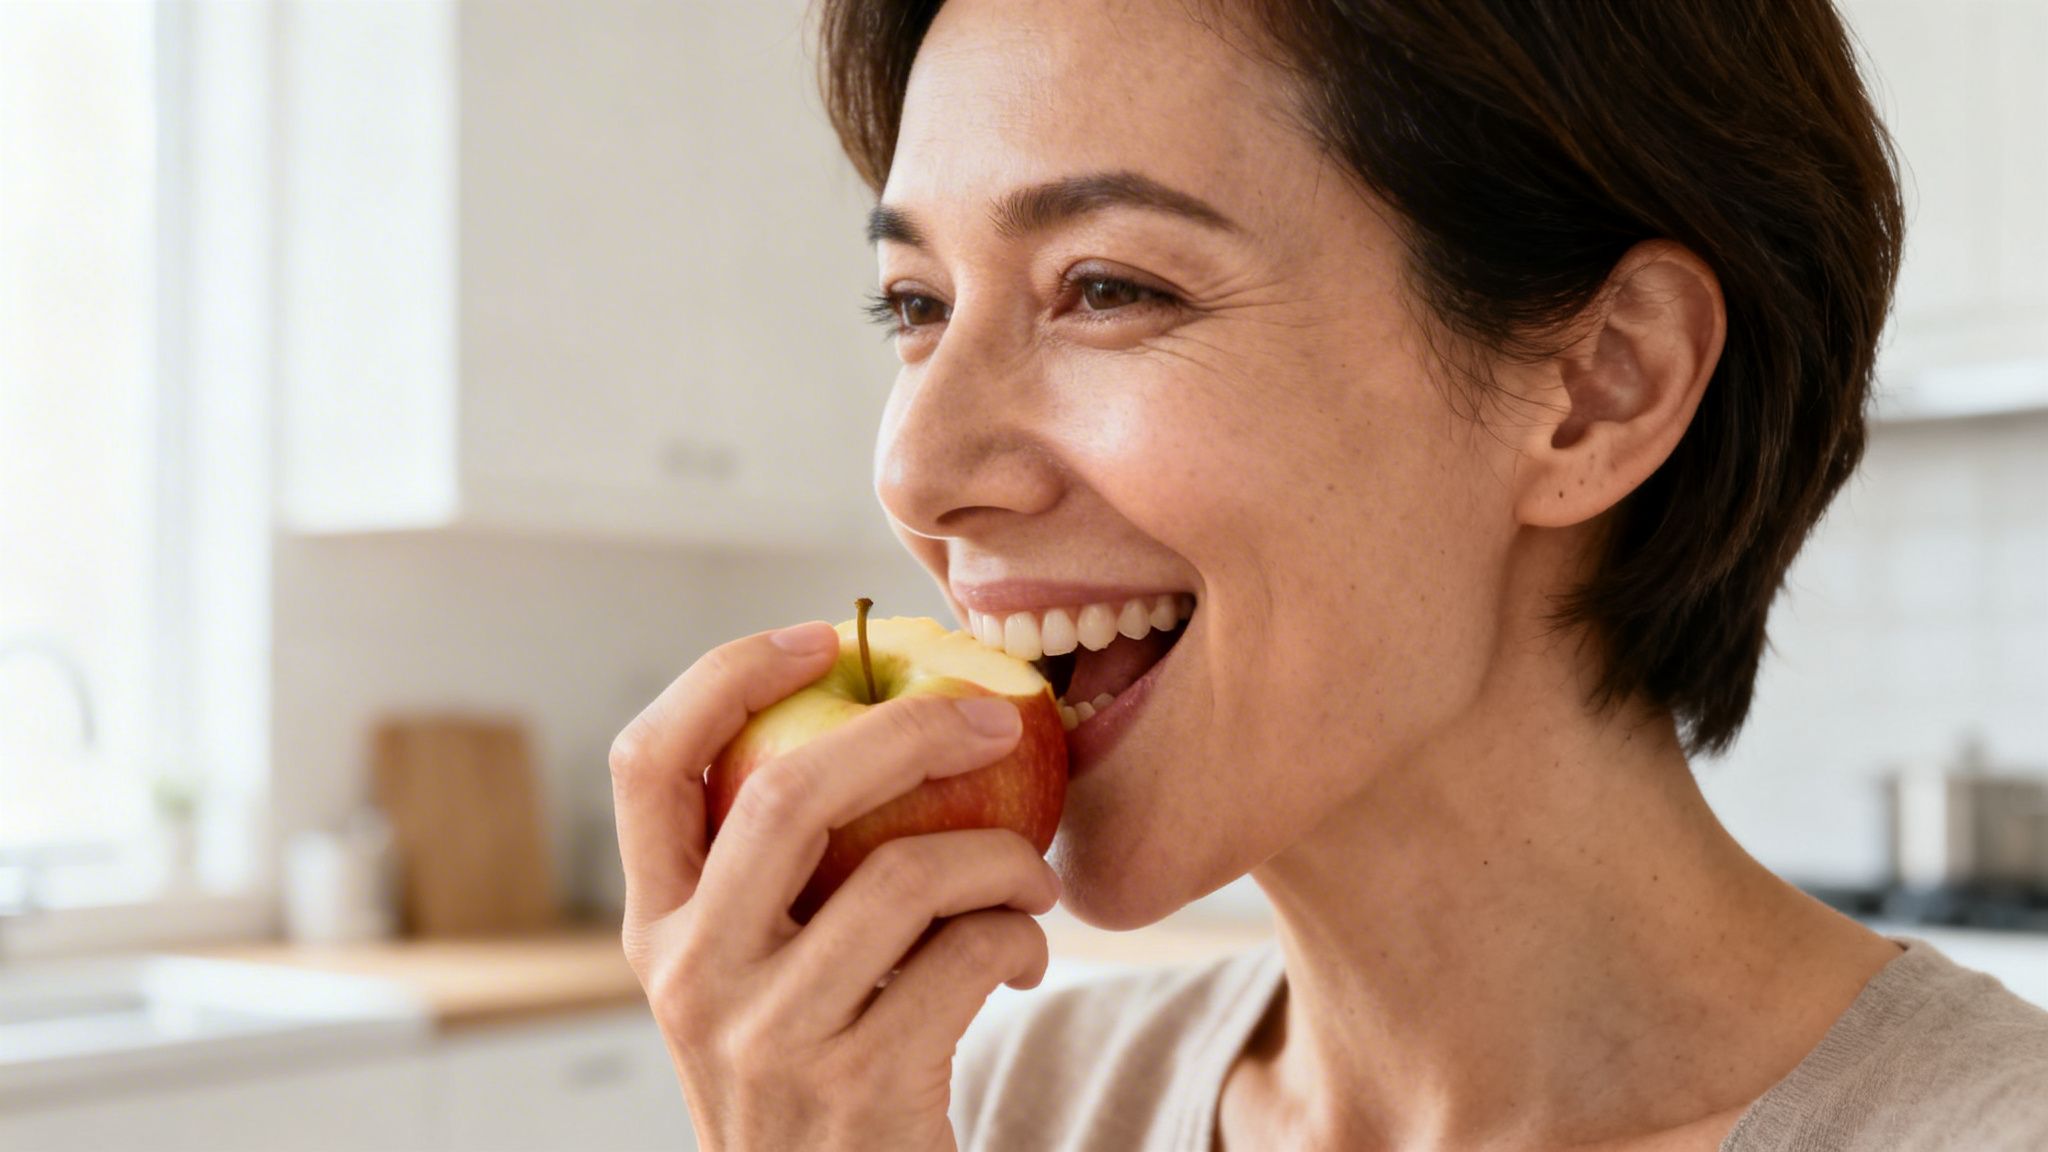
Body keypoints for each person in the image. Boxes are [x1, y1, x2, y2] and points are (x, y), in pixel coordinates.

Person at [607, 0, 2048, 1147]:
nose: (918, 470)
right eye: (915, 305)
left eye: (1108, 288)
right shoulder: (995, 1111)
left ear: (1602, 385)